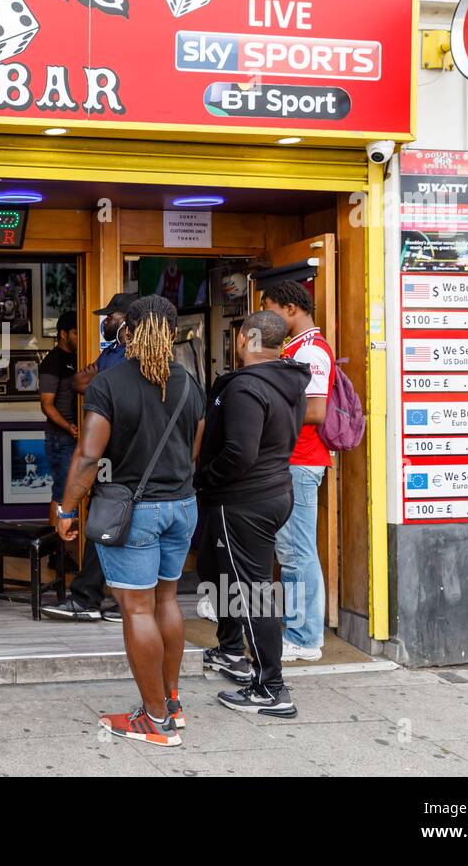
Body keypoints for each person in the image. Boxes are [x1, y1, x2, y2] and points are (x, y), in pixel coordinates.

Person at [56, 296, 204, 746]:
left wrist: (65, 508)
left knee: (136, 608)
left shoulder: (109, 383)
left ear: (127, 332)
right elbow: (194, 449)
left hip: (135, 511)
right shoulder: (190, 384)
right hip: (182, 506)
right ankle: (171, 704)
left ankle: (154, 721)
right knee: (166, 601)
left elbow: (87, 456)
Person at [195, 310, 309, 718]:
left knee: (255, 593)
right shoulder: (289, 379)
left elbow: (240, 452)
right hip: (273, 492)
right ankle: (230, 651)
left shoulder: (246, 387)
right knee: (223, 574)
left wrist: (205, 477)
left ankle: (271, 689)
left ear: (245, 338)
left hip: (243, 500)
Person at [44, 293, 134, 622]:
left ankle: (90, 598)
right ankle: (112, 599)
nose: (104, 322)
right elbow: (80, 382)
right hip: (120, 456)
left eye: (109, 317)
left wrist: (99, 378)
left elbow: (92, 384)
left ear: (124, 321)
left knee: (104, 520)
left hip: (118, 453)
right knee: (108, 519)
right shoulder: (113, 353)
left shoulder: (129, 358)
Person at [260, 280, 334, 662]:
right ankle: (301, 632)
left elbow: (317, 410)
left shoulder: (313, 352)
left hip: (302, 462)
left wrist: (266, 413)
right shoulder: (296, 348)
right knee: (291, 549)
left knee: (297, 551)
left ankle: (304, 638)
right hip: (292, 461)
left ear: (290, 309)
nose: (267, 318)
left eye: (270, 307)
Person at [38, 310, 79, 524]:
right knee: (61, 493)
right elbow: (47, 405)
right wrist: (69, 426)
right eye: (75, 332)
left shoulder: (80, 356)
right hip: (60, 438)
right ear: (63, 334)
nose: (79, 336)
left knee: (76, 492)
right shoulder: (52, 362)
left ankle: (67, 550)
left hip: (76, 437)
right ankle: (57, 552)